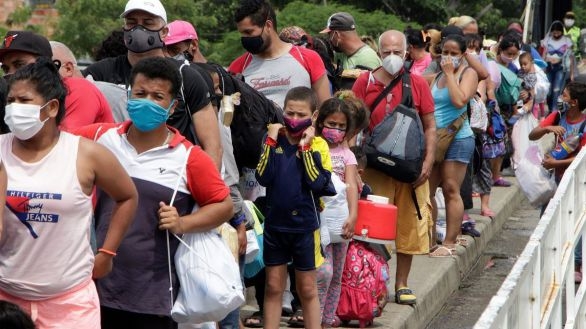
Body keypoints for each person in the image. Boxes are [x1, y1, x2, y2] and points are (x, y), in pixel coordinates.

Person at [74, 57, 233, 329]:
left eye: (157, 96)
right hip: (90, 284)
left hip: (153, 295)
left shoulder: (189, 158)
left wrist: (183, 223)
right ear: (128, 94)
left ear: (172, 107)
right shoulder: (98, 138)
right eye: (140, 93)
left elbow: (223, 205)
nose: (146, 101)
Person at [0, 58, 138, 329]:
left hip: (70, 305)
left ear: (51, 107)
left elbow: (127, 196)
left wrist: (107, 252)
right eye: (10, 101)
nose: (15, 108)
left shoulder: (87, 154)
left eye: (24, 100)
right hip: (6, 302)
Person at [83, 0, 223, 169]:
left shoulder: (186, 76)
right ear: (124, 29)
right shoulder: (98, 74)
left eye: (148, 23)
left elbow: (212, 146)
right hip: (113, 179)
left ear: (164, 32)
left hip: (172, 180)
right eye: (131, 23)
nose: (138, 29)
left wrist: (206, 191)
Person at [352, 30, 436, 304]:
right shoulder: (364, 83)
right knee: (371, 227)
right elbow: (351, 125)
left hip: (409, 168)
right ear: (378, 51)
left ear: (406, 52)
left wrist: (427, 162)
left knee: (409, 224)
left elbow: (430, 126)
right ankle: (374, 282)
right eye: (386, 52)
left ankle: (402, 284)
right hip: (374, 167)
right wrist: (352, 166)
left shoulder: (417, 83)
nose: (391, 57)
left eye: (397, 52)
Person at [255, 86, 334, 329]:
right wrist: (269, 140)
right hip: (275, 226)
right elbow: (263, 177)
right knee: (273, 286)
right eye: (290, 113)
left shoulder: (318, 145)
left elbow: (318, 183)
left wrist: (305, 148)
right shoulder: (273, 142)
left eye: (301, 115)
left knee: (307, 289)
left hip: (304, 228)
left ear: (314, 116)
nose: (295, 119)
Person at [528, 81, 586, 284]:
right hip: (554, 178)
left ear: (575, 102)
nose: (561, 98)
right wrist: (548, 128)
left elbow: (583, 158)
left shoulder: (585, 124)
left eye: (565, 95)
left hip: (578, 180)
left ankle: (576, 264)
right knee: (547, 217)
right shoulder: (557, 116)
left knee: (576, 220)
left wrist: (556, 161)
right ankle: (544, 258)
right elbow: (532, 134)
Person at [0, 30, 115, 131]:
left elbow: (64, 146)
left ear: (46, 64)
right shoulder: (12, 98)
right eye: (6, 69)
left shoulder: (76, 88)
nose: (11, 74)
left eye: (19, 65)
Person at [427, 33, 479, 257]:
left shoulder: (469, 73)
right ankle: (429, 239)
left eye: (453, 53)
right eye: (444, 52)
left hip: (458, 138)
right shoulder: (436, 75)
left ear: (463, 54)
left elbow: (459, 101)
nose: (448, 57)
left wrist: (450, 74)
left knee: (450, 188)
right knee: (427, 192)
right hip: (435, 140)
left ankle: (449, 241)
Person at [228, 0, 330, 107]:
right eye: (242, 34)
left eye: (249, 32)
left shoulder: (308, 58)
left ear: (268, 25)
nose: (245, 38)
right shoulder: (237, 68)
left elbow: (325, 110)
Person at [314, 93, 358, 328]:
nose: (336, 129)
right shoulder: (312, 147)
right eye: (332, 124)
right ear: (320, 122)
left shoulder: (347, 155)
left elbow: (351, 187)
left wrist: (353, 216)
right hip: (317, 220)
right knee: (324, 272)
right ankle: (315, 316)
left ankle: (327, 320)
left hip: (340, 221)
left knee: (337, 274)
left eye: (341, 126)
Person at [50, 40, 129, 123]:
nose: (40, 76)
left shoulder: (113, 96)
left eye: (47, 70)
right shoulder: (50, 103)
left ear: (68, 68)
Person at [541, 21, 575, 111]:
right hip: (548, 67)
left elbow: (571, 58)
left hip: (560, 68)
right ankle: (549, 107)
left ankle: (555, 111)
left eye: (558, 32)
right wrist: (541, 68)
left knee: (557, 90)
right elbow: (544, 54)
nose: (556, 34)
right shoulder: (547, 40)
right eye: (554, 32)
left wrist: (571, 74)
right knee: (547, 90)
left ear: (561, 31)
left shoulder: (566, 41)